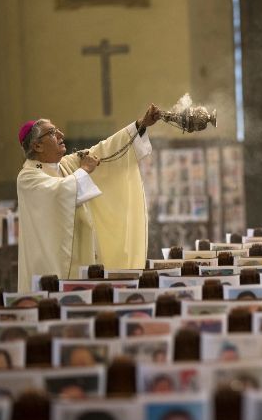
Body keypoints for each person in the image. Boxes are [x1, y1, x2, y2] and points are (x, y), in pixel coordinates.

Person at [16, 105, 160, 292]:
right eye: (51, 132)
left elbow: (104, 150)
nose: (60, 134)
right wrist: (84, 170)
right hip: (51, 268)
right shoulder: (27, 177)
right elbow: (59, 193)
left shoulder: (65, 164)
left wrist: (141, 125)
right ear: (37, 146)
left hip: (82, 259)